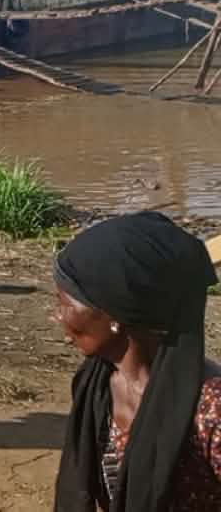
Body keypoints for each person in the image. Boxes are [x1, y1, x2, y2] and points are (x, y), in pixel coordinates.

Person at [52, 212, 221, 511]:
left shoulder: (210, 409)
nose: (57, 316)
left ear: (115, 317)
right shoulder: (96, 385)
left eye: (65, 304)